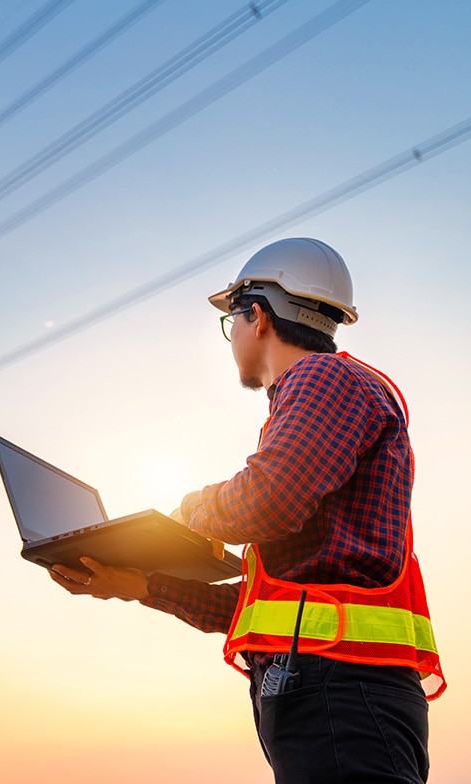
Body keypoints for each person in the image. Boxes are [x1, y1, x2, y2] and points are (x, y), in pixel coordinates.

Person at [48, 238, 445, 784]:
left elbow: (267, 501)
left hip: (341, 692)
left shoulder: (323, 379)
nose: (231, 335)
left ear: (257, 317)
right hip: (337, 690)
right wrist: (137, 584)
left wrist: (187, 512)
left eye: (230, 321)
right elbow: (260, 612)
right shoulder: (322, 398)